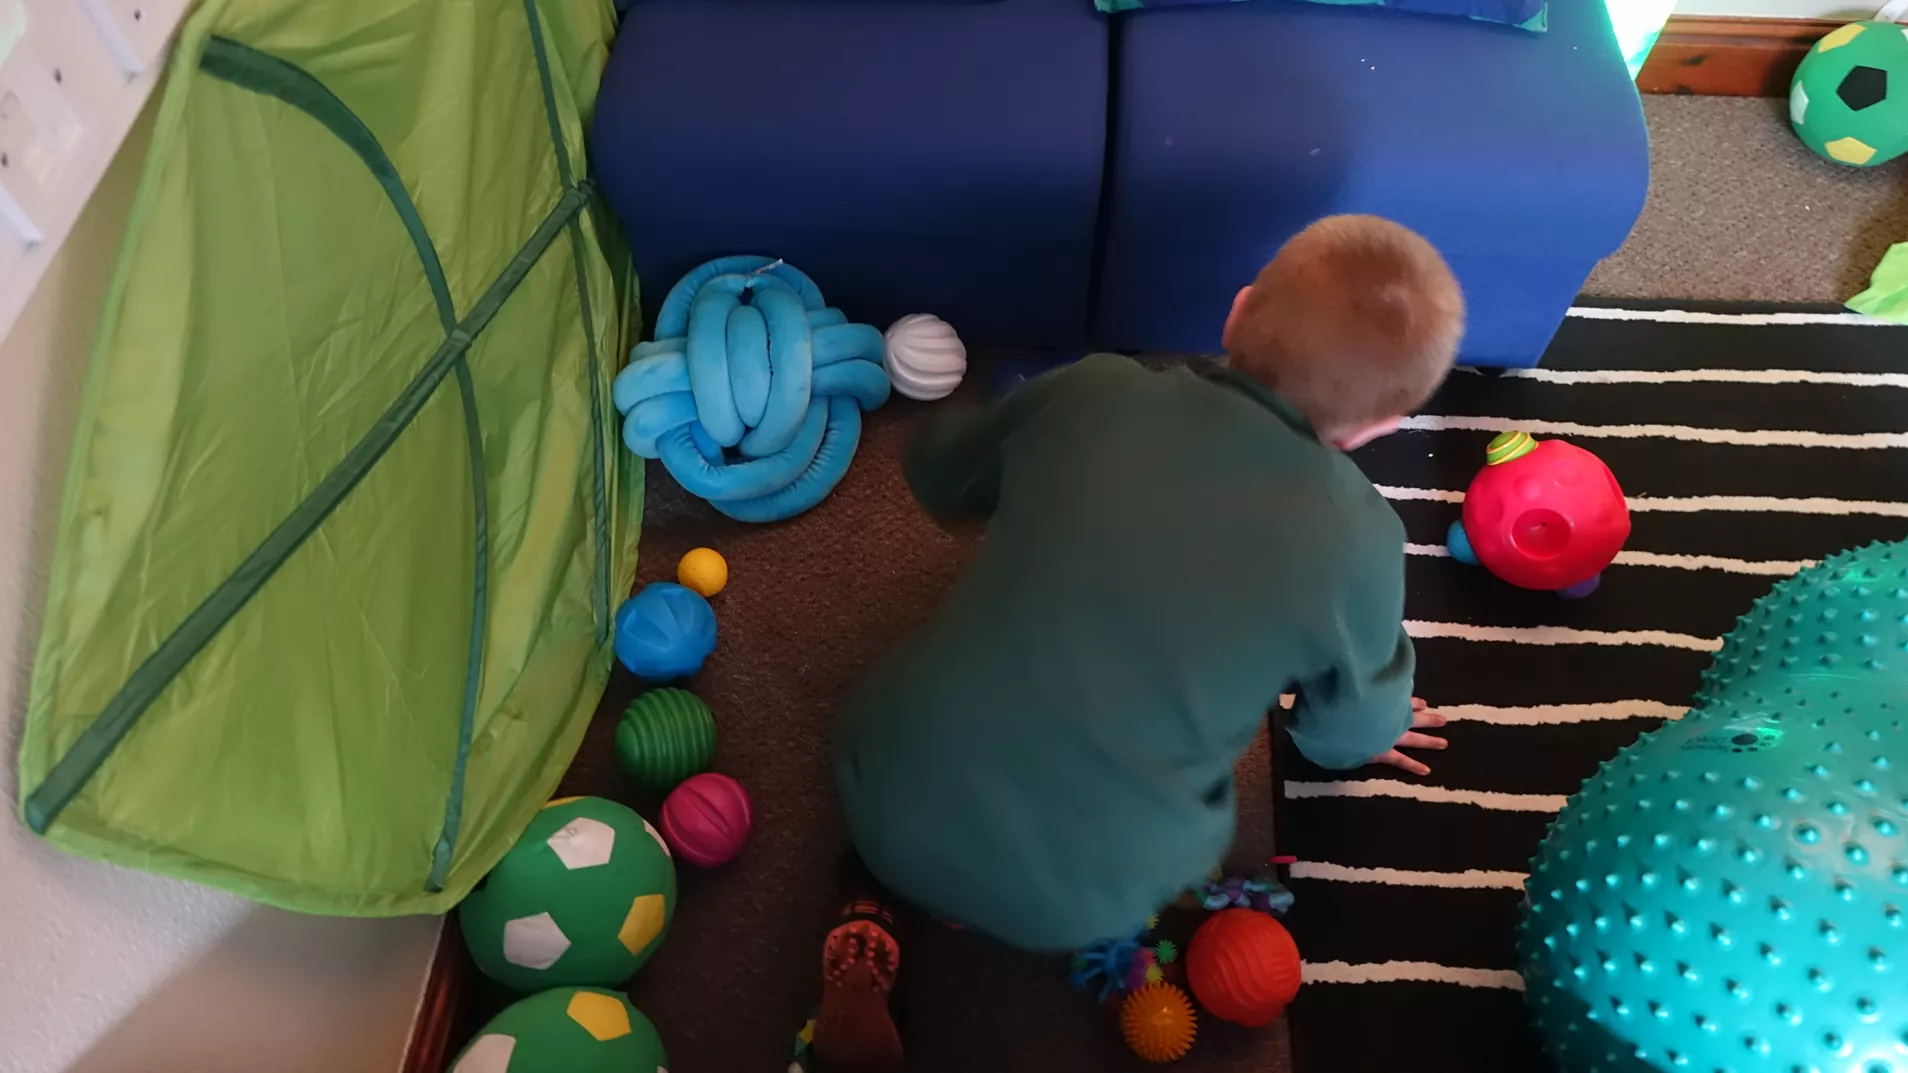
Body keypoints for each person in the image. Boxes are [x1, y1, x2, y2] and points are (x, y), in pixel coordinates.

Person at [812, 214, 1464, 1071]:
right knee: (1174, 831)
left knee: (926, 709)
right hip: (1086, 897)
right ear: (1380, 429)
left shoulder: (1095, 389)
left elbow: (943, 475)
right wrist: (1374, 724)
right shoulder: (1363, 541)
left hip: (882, 784)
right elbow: (1339, 733)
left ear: (1236, 314)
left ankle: (888, 899)